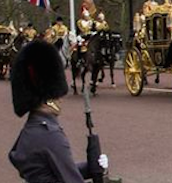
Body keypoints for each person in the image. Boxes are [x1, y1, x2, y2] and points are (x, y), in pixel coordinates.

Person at [9, 40, 108, 182]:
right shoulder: (50, 134)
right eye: (57, 96)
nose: (61, 99)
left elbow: (55, 171)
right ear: (47, 97)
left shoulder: (31, 129)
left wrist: (91, 167)